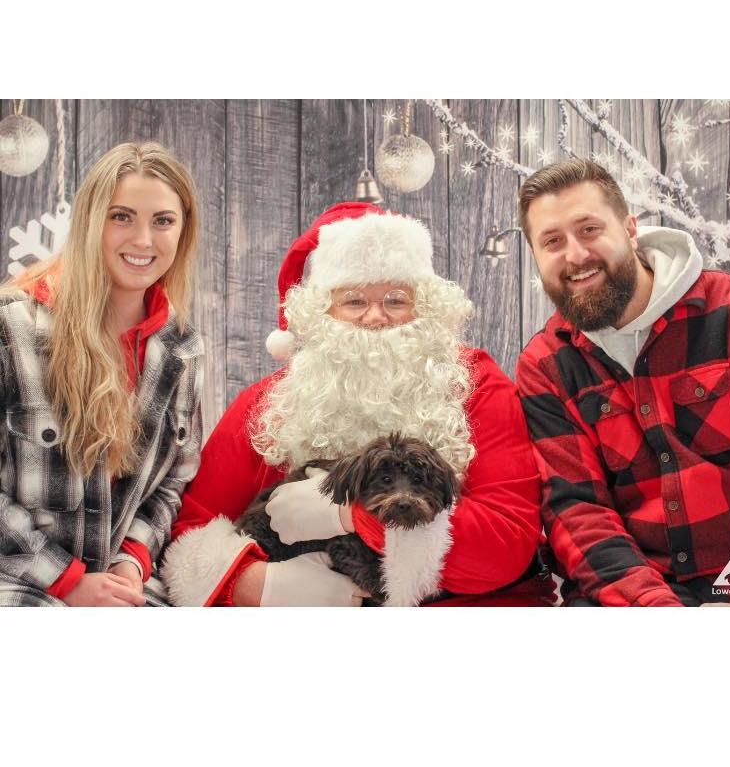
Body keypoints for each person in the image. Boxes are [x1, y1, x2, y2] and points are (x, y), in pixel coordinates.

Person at [161, 201, 542, 606]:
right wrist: (256, 584)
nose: (376, 317)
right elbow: (191, 532)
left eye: (396, 300)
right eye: (355, 301)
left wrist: (353, 517)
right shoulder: (268, 404)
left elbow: (506, 546)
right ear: (323, 312)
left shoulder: (475, 385)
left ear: (426, 307)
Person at [515, 157, 730, 606]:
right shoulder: (545, 365)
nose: (576, 255)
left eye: (589, 229)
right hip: (634, 593)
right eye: (552, 241)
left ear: (629, 228)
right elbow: (577, 513)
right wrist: (659, 614)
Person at [0, 142, 203, 606]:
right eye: (121, 217)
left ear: (183, 231)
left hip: (118, 584)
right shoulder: (12, 329)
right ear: (91, 221)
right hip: (16, 575)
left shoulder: (182, 350)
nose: (143, 240)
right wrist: (67, 581)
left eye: (163, 221)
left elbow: (174, 481)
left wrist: (131, 560)